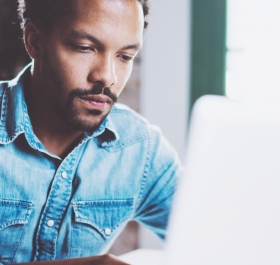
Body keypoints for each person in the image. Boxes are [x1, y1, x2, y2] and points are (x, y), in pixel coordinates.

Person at [0, 0, 182, 264]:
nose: (107, 76)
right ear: (35, 42)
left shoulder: (141, 150)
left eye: (125, 57)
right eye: (85, 48)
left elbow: (216, 242)